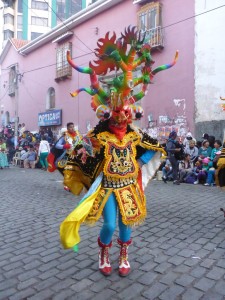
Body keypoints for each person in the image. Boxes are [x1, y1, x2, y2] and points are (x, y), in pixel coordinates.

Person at [59, 26, 177, 277]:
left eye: (126, 112)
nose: (122, 116)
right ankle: (103, 252)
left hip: (129, 186)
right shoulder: (99, 135)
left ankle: (123, 254)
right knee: (110, 224)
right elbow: (80, 155)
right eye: (117, 112)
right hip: (108, 187)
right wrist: (73, 178)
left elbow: (154, 149)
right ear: (109, 112)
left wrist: (138, 162)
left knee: (125, 227)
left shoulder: (135, 135)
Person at [47, 123, 81, 193]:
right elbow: (57, 145)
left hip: (77, 155)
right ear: (68, 128)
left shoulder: (77, 135)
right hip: (67, 156)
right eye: (70, 127)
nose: (72, 128)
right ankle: (67, 185)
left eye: (73, 127)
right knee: (66, 170)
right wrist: (65, 146)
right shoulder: (65, 136)